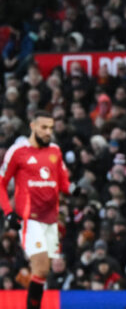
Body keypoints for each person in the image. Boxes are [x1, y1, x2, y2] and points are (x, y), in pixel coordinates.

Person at [1, 111, 73, 309]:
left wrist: (74, 189)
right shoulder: (18, 152)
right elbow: (1, 182)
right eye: (44, 127)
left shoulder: (55, 152)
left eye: (51, 128)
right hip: (30, 218)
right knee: (41, 266)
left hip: (51, 219)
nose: (48, 132)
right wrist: (8, 211)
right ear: (32, 126)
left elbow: (64, 183)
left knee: (42, 272)